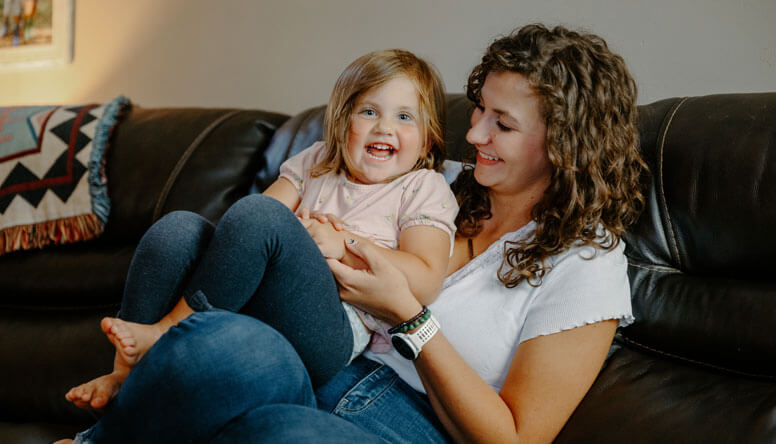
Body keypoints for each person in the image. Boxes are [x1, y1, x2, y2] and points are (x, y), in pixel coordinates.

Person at [58, 23, 648, 444]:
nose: (473, 135)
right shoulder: (432, 178)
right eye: (478, 111)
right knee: (221, 341)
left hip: (408, 420)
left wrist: (412, 322)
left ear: (565, 143)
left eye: (502, 124)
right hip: (318, 358)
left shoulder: (587, 262)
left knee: (275, 432)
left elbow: (516, 437)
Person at [65, 49, 458, 410]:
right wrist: (299, 232)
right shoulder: (317, 162)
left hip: (332, 332)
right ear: (342, 122)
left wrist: (344, 244)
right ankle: (124, 373)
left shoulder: (422, 186)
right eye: (369, 112)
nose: (384, 128)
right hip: (261, 304)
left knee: (262, 217)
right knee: (178, 229)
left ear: (427, 140)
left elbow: (425, 280)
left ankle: (169, 331)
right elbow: (248, 222)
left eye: (404, 117)